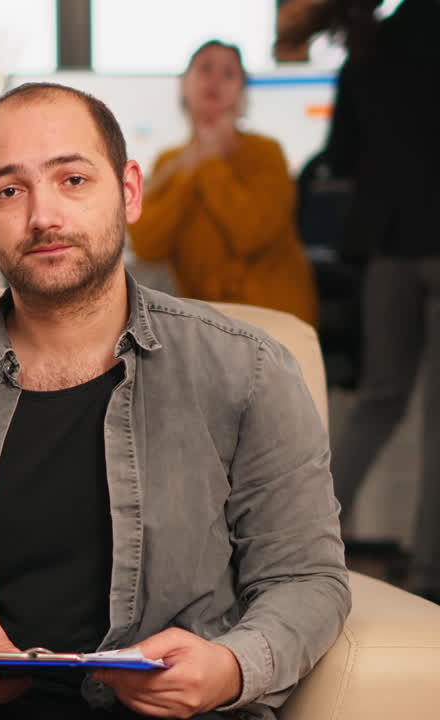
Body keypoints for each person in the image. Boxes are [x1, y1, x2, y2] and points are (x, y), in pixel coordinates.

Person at [0, 83, 349, 719]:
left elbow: (306, 577)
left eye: (73, 180)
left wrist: (229, 666)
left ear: (130, 191)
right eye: (9, 191)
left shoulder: (248, 371)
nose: (43, 217)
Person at [323, 0, 440, 600]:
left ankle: (307, 545)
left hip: (388, 246)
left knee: (378, 403)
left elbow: (340, 155)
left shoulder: (371, 43)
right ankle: (427, 577)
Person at [128, 40, 319, 327]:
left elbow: (250, 234)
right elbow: (146, 244)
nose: (215, 80)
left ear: (242, 95)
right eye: (205, 69)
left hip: (274, 322)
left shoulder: (266, 153)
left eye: (229, 74)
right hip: (207, 326)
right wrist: (188, 168)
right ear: (183, 85)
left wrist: (209, 161)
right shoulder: (170, 161)